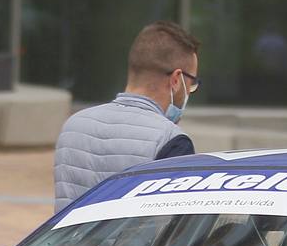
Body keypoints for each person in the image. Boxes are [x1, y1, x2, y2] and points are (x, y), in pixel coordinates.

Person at [54, 21, 200, 213]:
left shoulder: (72, 126)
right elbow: (175, 227)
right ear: (175, 79)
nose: (190, 91)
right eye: (192, 83)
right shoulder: (172, 140)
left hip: (69, 244)